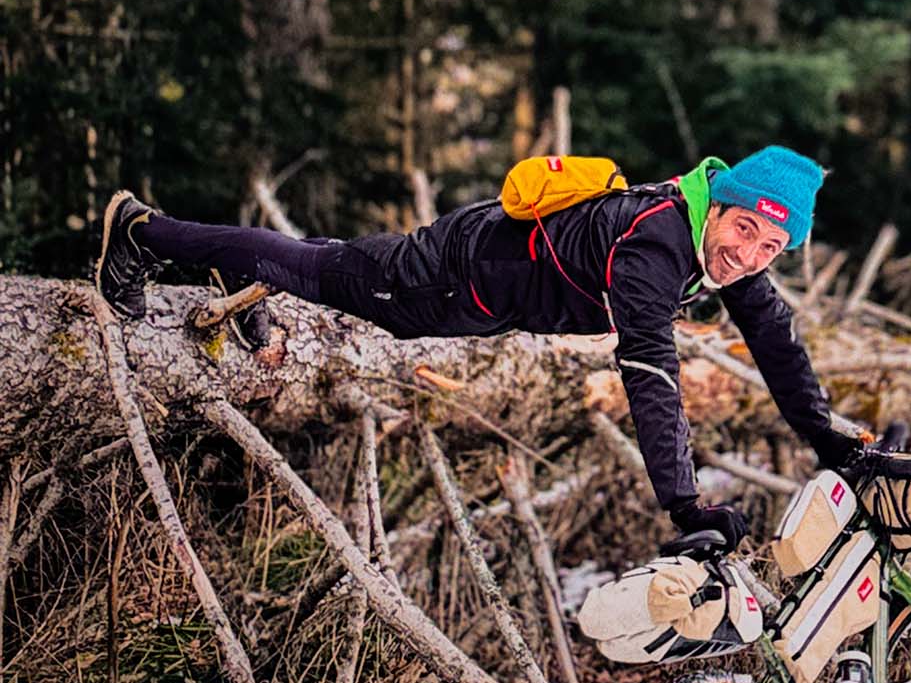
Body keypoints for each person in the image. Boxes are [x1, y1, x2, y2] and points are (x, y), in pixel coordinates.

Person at [94, 146, 866, 545]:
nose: (750, 255)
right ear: (722, 206)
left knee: (329, 265)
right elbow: (650, 371)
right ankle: (141, 229)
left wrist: (835, 444)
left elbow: (776, 338)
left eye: (771, 247)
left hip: (481, 283)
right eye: (745, 231)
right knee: (330, 273)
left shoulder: (706, 236)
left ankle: (237, 277)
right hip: (454, 278)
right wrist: (684, 500)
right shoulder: (658, 245)